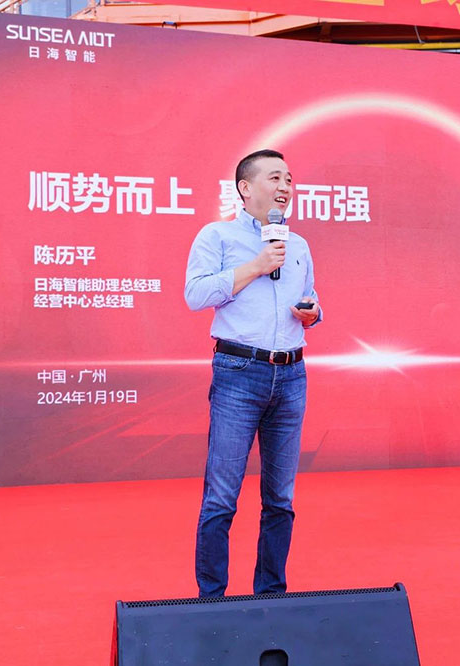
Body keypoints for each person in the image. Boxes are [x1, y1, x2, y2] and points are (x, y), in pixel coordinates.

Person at [184, 149, 321, 597]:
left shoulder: (297, 245)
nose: (285, 187)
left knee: (280, 498)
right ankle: (211, 601)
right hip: (239, 373)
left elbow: (311, 298)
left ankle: (271, 595)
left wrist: (312, 313)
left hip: (291, 375)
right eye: (274, 177)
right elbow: (195, 294)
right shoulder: (217, 236)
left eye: (289, 179)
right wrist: (256, 267)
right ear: (245, 188)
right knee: (222, 497)